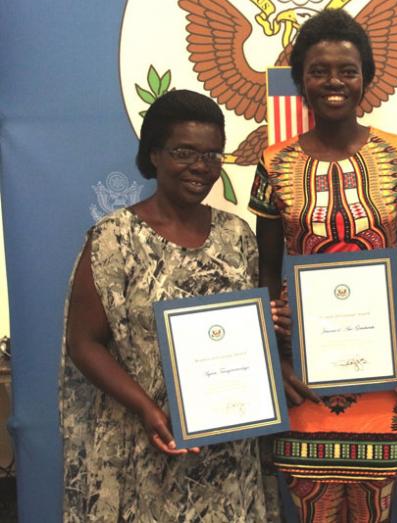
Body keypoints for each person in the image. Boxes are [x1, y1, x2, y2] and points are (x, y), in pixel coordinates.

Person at [248, 9, 397, 521]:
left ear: (367, 79)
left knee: (375, 509)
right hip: (304, 372)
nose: (334, 82)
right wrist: (275, 360)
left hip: (383, 369)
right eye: (319, 70)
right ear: (300, 80)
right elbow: (265, 270)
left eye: (347, 71)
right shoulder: (273, 162)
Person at [60, 90, 268, 521]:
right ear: (154, 153)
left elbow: (248, 333)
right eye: (184, 152)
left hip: (226, 452)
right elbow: (84, 344)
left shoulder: (239, 235)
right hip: (144, 446)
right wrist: (147, 409)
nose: (200, 167)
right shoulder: (114, 239)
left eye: (212, 155)